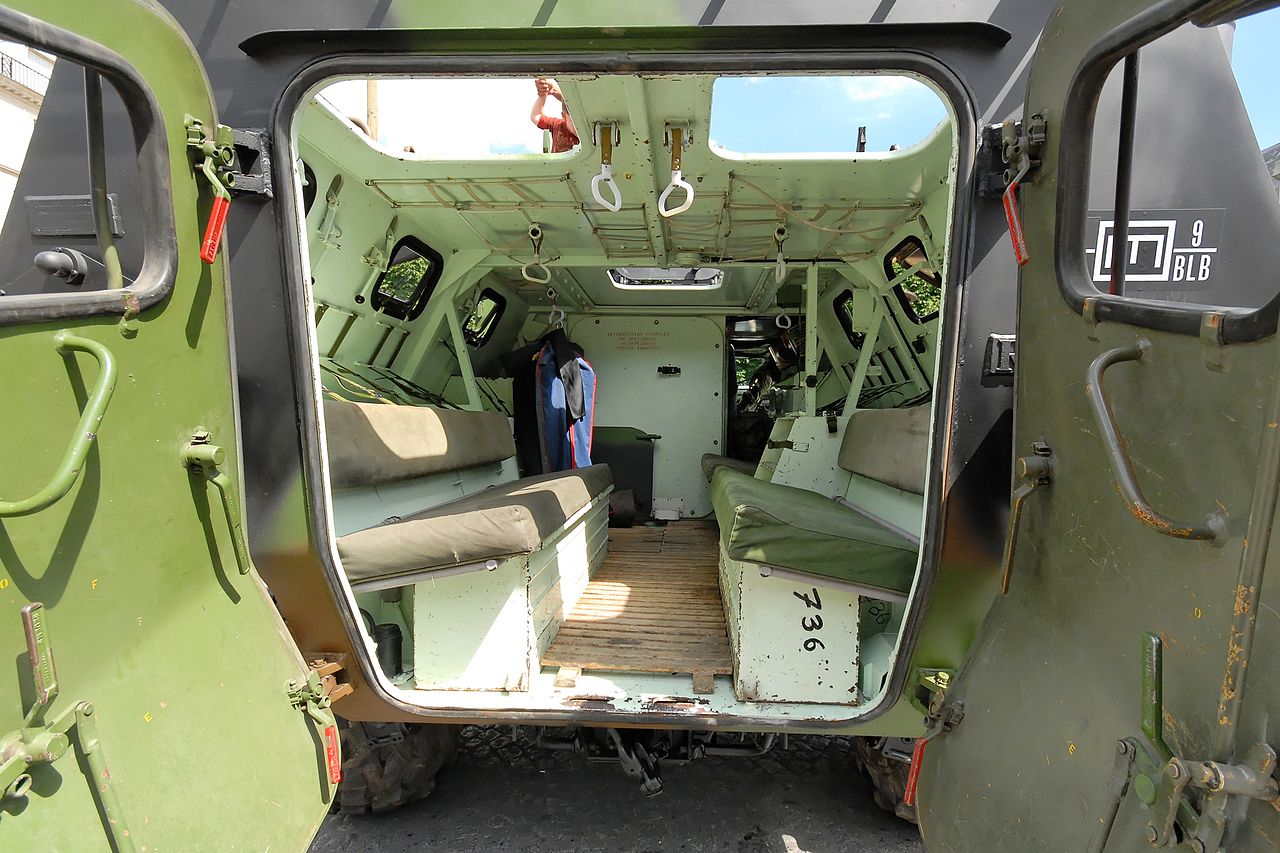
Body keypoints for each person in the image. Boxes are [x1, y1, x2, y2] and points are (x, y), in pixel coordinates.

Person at [530, 78, 579, 153]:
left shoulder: (592, 131)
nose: (579, 125)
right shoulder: (558, 125)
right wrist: (543, 94)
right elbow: (536, 116)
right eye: (574, 120)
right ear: (565, 117)